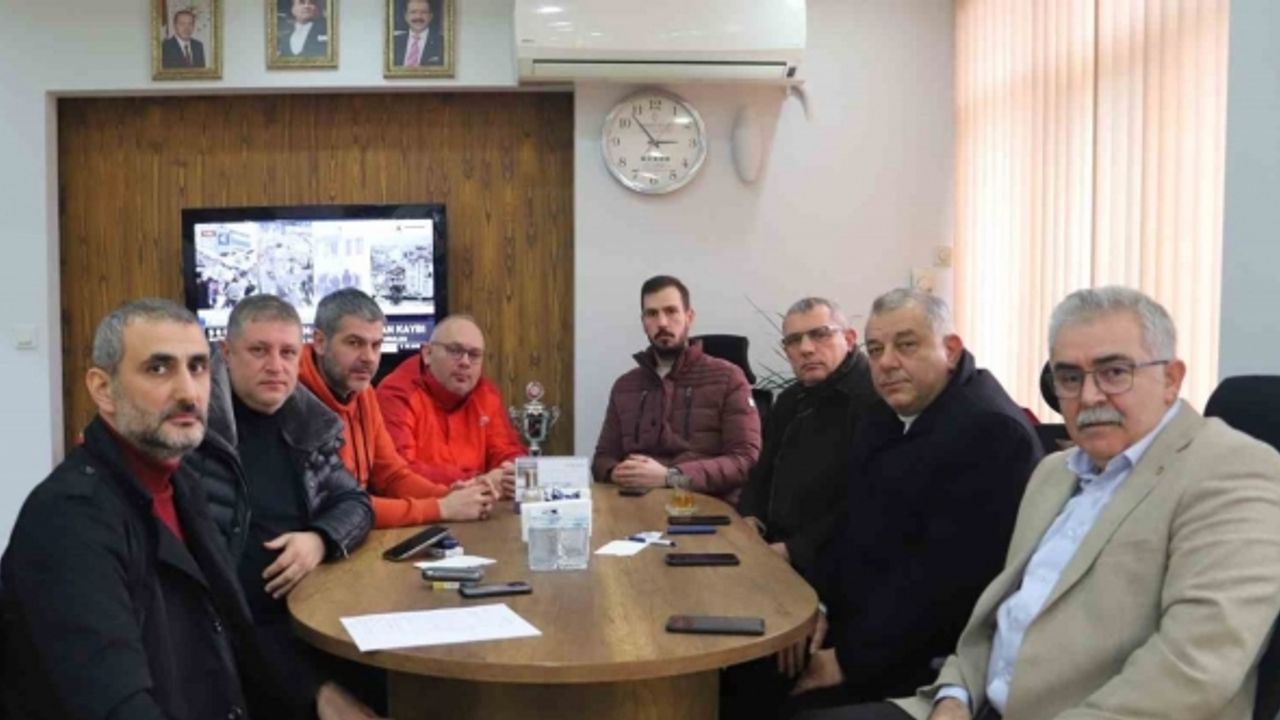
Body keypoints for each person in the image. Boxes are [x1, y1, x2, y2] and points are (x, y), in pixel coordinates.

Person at [813, 287, 1280, 720]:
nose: (1089, 396)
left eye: (1115, 372)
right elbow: (995, 617)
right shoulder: (1055, 472)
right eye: (1070, 377)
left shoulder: (1235, 471)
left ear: (1171, 379)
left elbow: (1192, 670)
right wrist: (955, 695)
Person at [0, 299, 267, 719]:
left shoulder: (182, 483)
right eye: (158, 368)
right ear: (103, 389)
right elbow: (116, 704)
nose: (188, 392)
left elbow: (233, 635)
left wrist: (316, 694)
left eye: (197, 367)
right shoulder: (68, 519)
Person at [784, 288, 1042, 716]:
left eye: (906, 345)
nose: (886, 363)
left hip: (926, 662)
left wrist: (846, 660)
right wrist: (820, 604)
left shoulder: (992, 433)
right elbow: (851, 523)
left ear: (950, 350)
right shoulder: (884, 413)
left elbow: (949, 585)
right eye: (875, 350)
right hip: (860, 626)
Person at [186, 294, 379, 718]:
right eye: (259, 350)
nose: (276, 366)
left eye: (288, 352)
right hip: (238, 636)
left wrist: (319, 539)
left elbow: (356, 503)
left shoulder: (308, 420)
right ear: (226, 353)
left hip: (313, 615)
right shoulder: (193, 431)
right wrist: (313, 689)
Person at [299, 288, 495, 526]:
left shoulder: (364, 392)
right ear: (320, 342)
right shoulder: (295, 400)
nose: (369, 357)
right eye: (354, 343)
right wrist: (440, 508)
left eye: (376, 345)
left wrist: (450, 496)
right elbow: (339, 507)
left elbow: (391, 476)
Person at [737, 296, 877, 580]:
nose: (806, 349)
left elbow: (866, 502)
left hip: (836, 563)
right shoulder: (789, 400)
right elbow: (762, 471)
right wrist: (750, 519)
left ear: (849, 339)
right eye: (793, 340)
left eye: (820, 334)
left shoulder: (874, 400)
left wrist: (793, 550)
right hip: (771, 549)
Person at [591, 275, 762, 504]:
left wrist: (670, 477)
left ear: (689, 317)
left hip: (703, 507)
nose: (662, 322)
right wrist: (615, 472)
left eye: (671, 311)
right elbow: (603, 458)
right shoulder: (625, 386)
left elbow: (744, 460)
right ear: (643, 322)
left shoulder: (728, 378)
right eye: (652, 314)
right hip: (633, 505)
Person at [376, 314, 527, 497]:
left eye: (474, 355)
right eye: (455, 351)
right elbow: (398, 472)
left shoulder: (485, 394)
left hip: (478, 504)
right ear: (427, 354)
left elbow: (507, 450)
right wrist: (477, 481)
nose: (465, 362)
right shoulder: (396, 394)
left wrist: (512, 473)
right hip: (422, 507)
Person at [392, 0, 444, 67]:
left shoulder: (443, 43)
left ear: (430, 16)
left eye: (424, 12)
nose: (418, 16)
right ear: (406, 16)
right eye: (413, 12)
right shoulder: (394, 42)